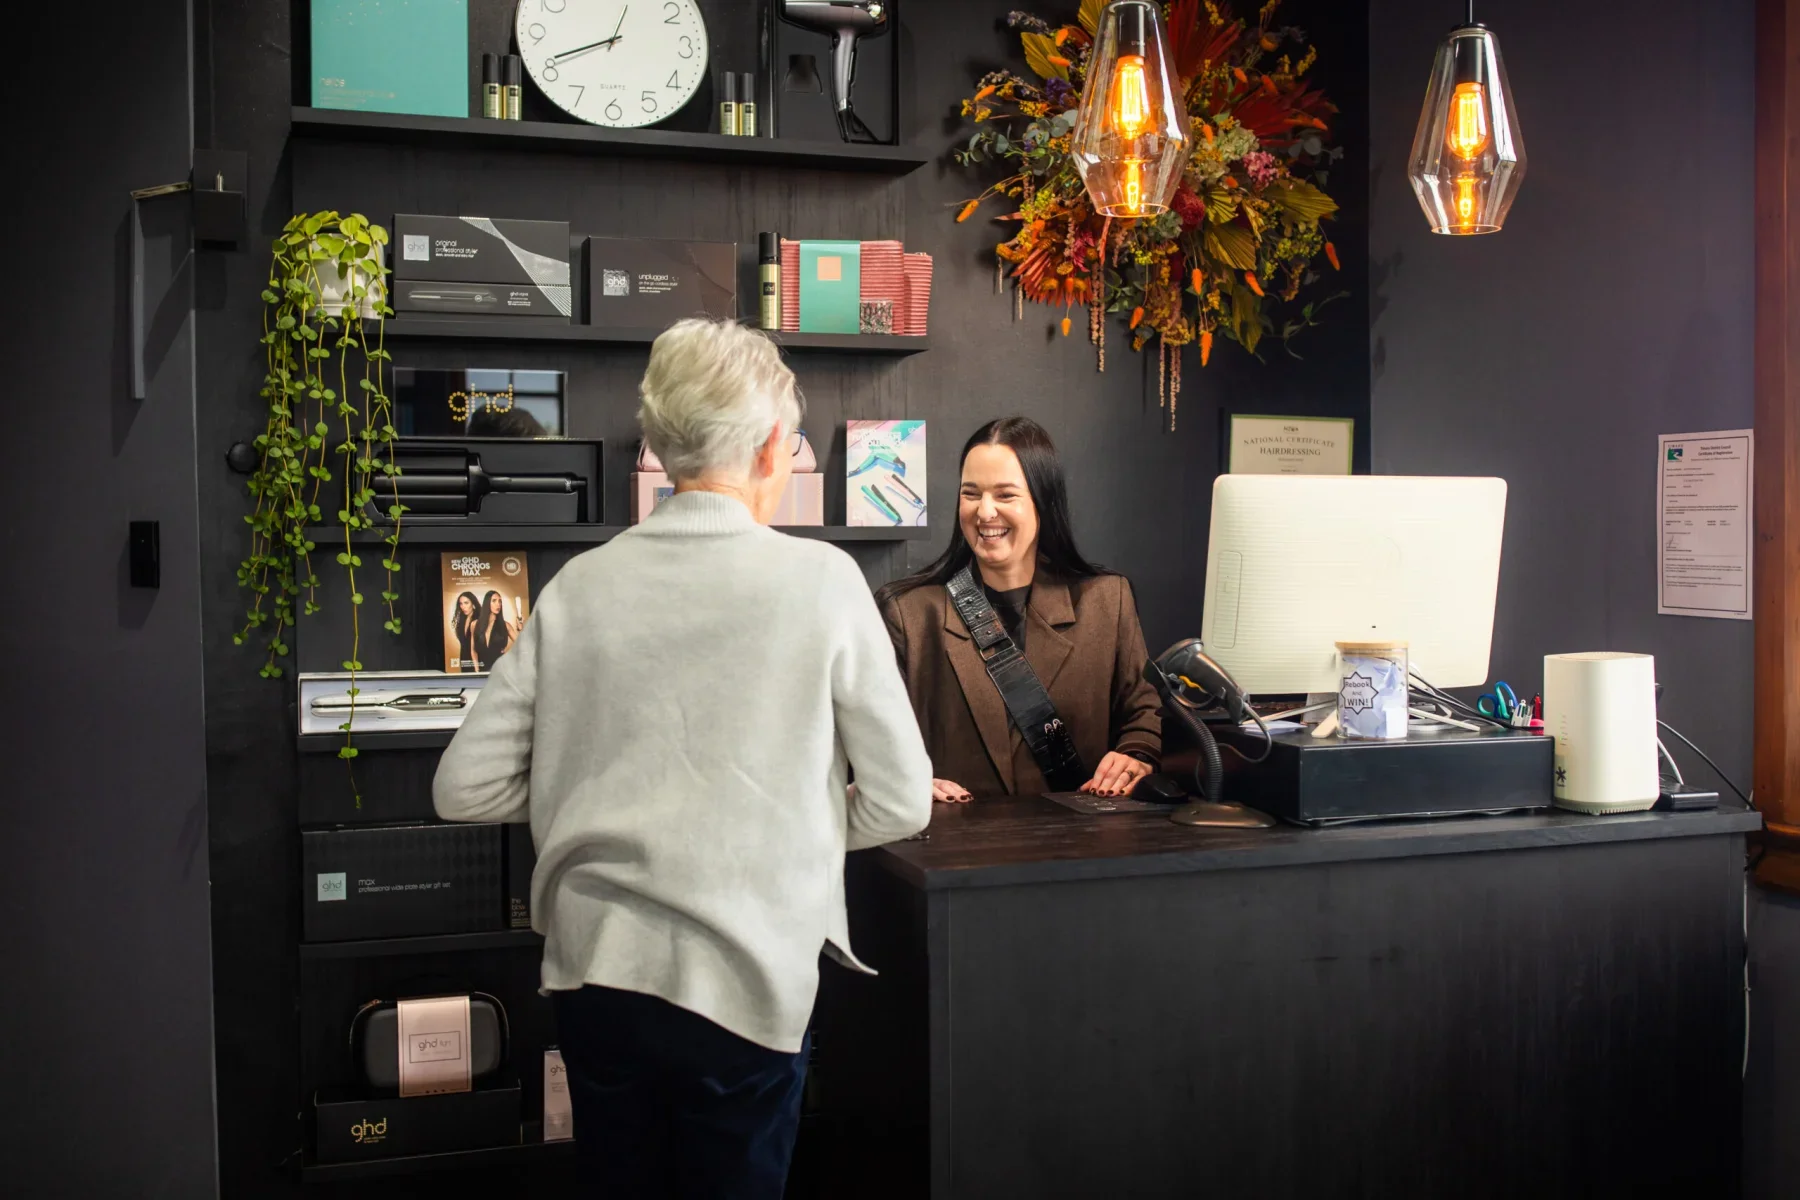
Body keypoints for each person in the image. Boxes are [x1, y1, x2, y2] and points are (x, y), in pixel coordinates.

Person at [433, 317, 933, 1198]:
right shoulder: (821, 582)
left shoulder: (580, 584)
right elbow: (901, 804)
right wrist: (780, 820)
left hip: (596, 979)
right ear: (776, 446)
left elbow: (462, 787)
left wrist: (587, 791)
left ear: (658, 444)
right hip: (747, 981)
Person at [877, 417, 1161, 802]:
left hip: (1081, 846)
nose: (985, 512)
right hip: (952, 846)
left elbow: (1144, 710)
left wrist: (1136, 755)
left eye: (1006, 495)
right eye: (971, 494)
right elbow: (871, 736)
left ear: (1043, 502)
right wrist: (900, 780)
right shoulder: (909, 613)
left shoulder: (1107, 600)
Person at [474, 589, 515, 667]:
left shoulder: (506, 625)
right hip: (482, 670)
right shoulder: (475, 624)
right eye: (494, 601)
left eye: (500, 601)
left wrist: (520, 628)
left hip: (500, 669)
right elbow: (473, 650)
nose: (498, 604)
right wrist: (477, 670)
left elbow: (522, 643)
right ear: (487, 603)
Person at [451, 591, 481, 672]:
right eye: (461, 604)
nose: (463, 606)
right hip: (464, 659)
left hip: (478, 660)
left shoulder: (479, 619)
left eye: (466, 603)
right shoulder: (461, 619)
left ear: (473, 603)